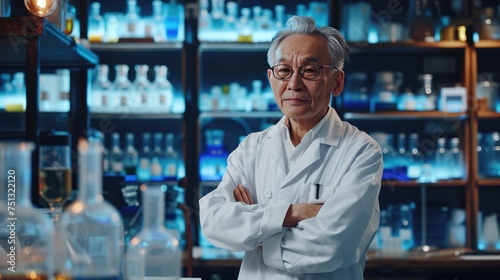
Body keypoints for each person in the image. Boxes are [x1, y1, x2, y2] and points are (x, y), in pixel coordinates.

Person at [199, 15, 383, 279]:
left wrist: (258, 239)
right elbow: (214, 222)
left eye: (310, 70)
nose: (294, 84)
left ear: (337, 82)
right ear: (271, 77)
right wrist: (294, 212)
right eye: (284, 70)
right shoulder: (251, 148)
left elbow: (334, 245)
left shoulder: (361, 151)